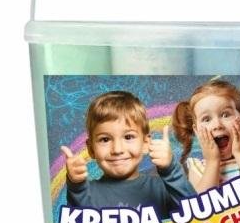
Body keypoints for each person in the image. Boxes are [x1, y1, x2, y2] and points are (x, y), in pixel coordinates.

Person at [61, 90, 194, 214]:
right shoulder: (86, 194)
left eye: (128, 137)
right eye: (105, 139)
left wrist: (171, 170)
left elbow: (194, 215)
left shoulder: (161, 188)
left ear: (145, 143)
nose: (117, 150)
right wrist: (76, 185)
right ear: (91, 149)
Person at [172, 79, 240, 193]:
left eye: (225, 115)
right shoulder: (198, 168)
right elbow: (201, 201)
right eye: (206, 119)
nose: (217, 125)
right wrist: (212, 162)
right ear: (197, 130)